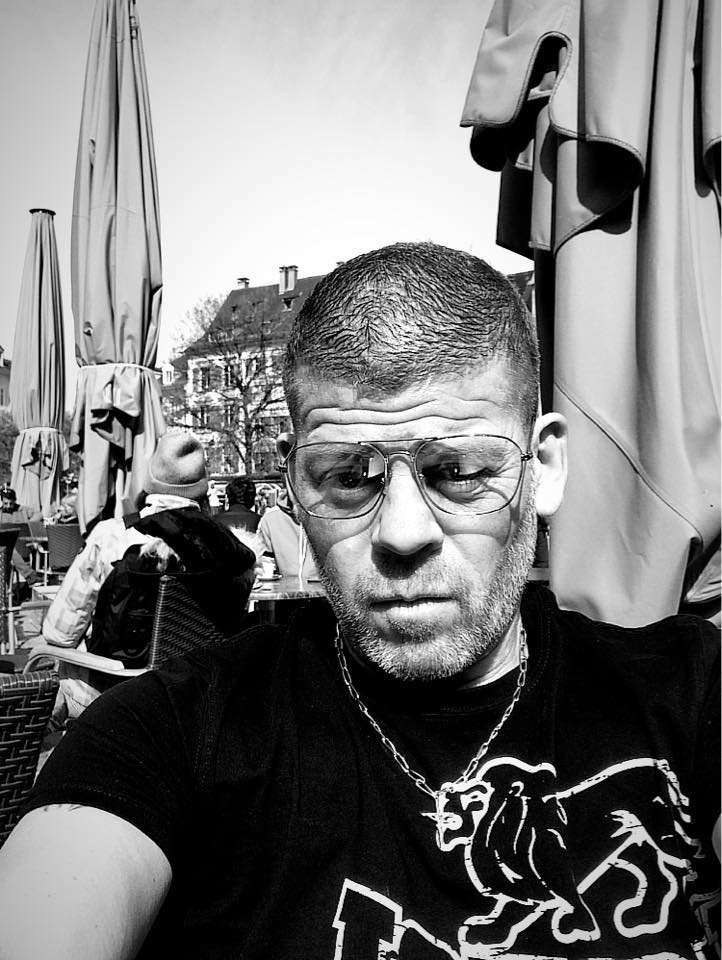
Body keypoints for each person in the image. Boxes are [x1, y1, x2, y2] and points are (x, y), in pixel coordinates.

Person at [0, 242, 717, 959]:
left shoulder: (689, 693)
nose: (402, 533)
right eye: (348, 477)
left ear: (545, 470)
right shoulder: (172, 734)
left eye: (459, 471)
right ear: (296, 488)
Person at [40, 431, 216, 719]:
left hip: (116, 693)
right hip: (196, 697)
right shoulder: (225, 547)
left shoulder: (112, 535)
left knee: (50, 670)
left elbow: (60, 633)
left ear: (150, 481)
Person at [257, 487, 319, 578]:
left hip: (322, 586)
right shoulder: (270, 518)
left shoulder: (331, 517)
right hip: (284, 586)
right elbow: (266, 564)